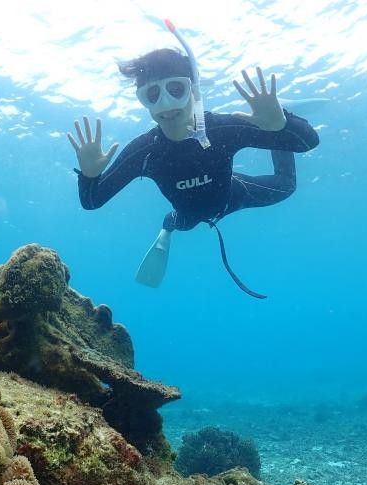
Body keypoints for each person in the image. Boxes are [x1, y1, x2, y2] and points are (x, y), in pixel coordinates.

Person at [67, 23, 319, 297]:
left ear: (194, 91)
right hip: (188, 215)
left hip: (233, 195)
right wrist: (89, 175)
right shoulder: (145, 151)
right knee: (181, 222)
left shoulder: (222, 130)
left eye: (176, 89)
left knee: (286, 185)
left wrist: (280, 123)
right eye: (152, 94)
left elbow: (306, 142)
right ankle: (169, 226)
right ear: (144, 103)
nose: (165, 104)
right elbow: (92, 201)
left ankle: (277, 112)